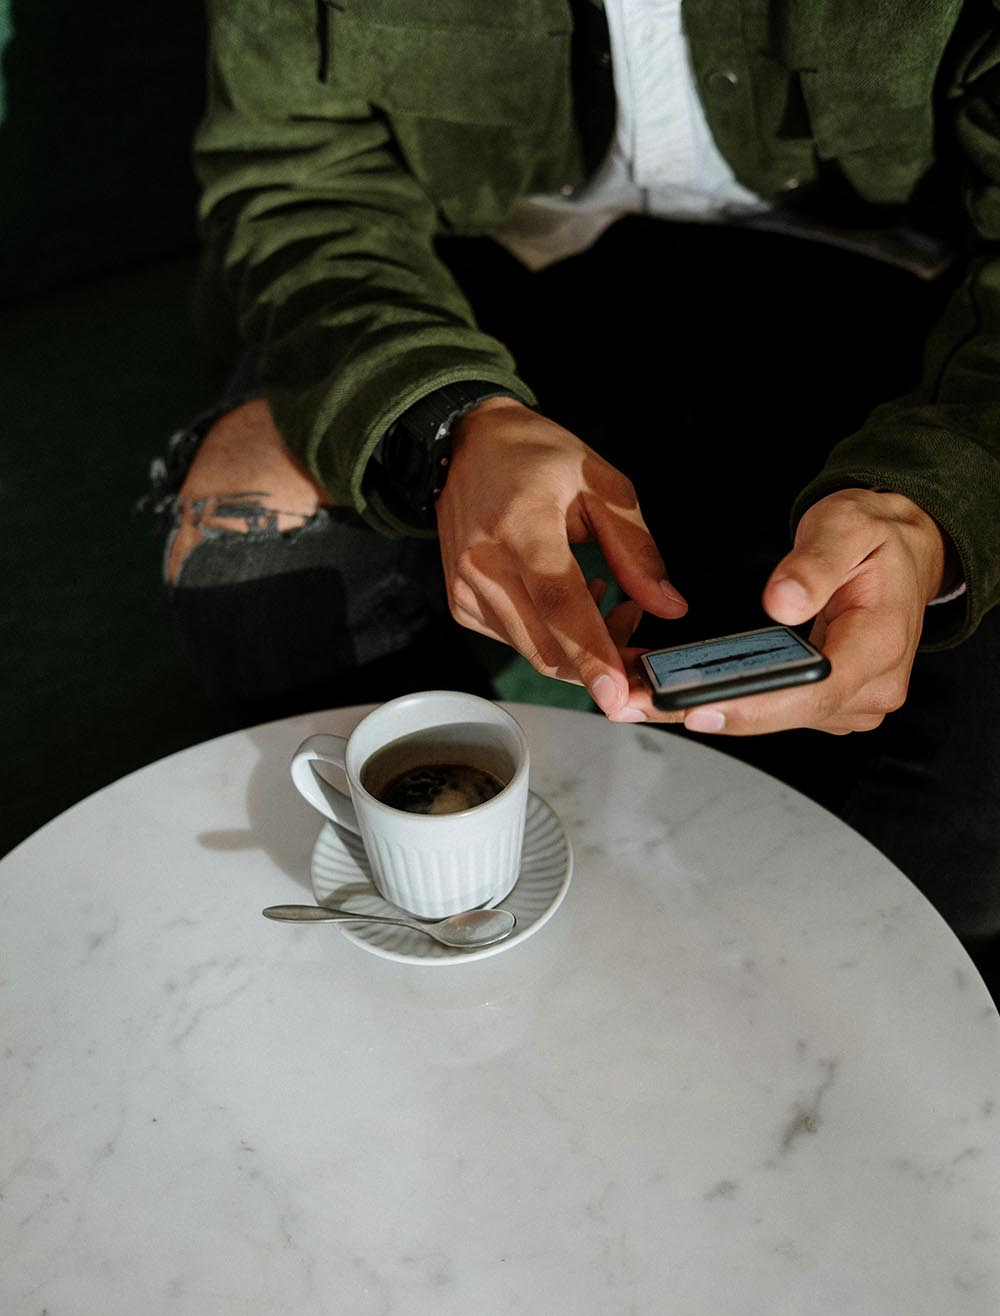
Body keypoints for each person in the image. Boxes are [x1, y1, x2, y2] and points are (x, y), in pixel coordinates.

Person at [154, 0, 1000, 945]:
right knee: (251, 557)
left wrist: (943, 505)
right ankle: (472, 900)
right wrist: (447, 419)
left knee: (956, 855)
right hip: (477, 278)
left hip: (915, 314)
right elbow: (292, 175)